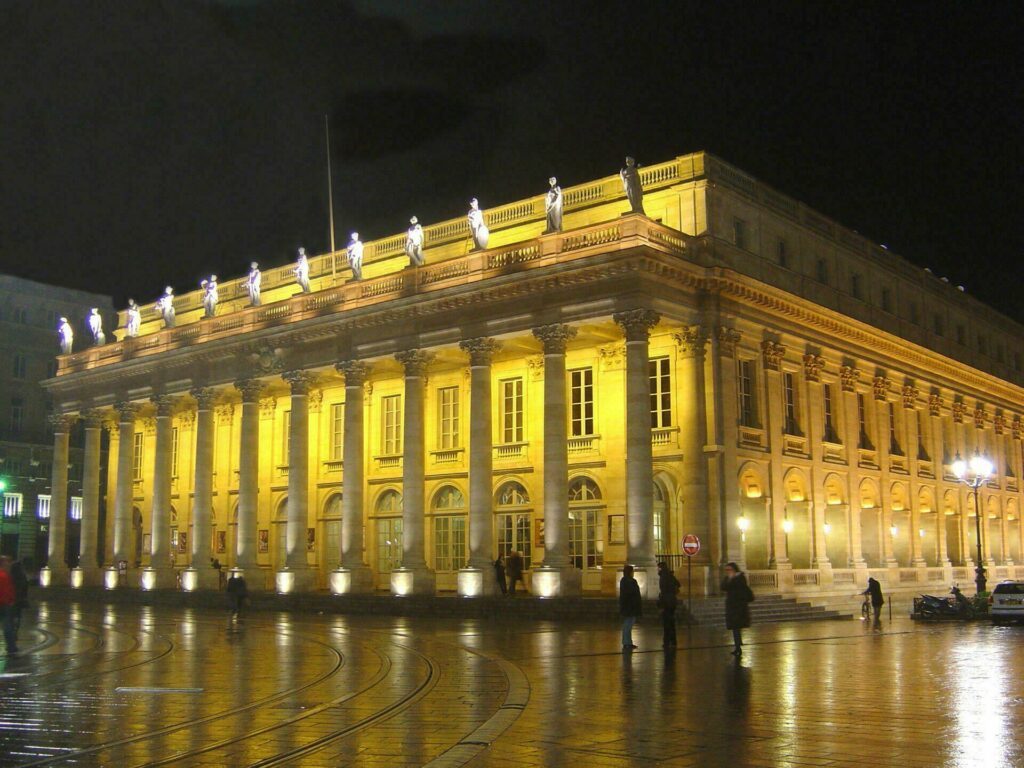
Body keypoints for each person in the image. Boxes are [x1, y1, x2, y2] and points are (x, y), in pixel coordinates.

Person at [722, 561, 754, 656]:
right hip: (732, 607)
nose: (727, 571)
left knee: (736, 628)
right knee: (735, 628)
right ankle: (738, 646)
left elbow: (739, 590)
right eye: (726, 570)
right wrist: (729, 579)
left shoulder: (740, 578)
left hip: (739, 608)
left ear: (734, 569)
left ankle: (738, 647)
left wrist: (732, 579)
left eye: (729, 569)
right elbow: (723, 587)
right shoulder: (728, 578)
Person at [657, 560, 680, 648]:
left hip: (666, 602)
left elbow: (663, 591)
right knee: (671, 622)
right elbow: (678, 584)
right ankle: (673, 641)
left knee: (666, 623)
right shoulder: (670, 575)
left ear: (661, 568)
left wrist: (661, 603)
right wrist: (674, 592)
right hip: (673, 601)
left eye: (658, 568)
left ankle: (666, 641)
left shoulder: (663, 577)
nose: (657, 569)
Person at [619, 564, 642, 650]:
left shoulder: (624, 581)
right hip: (630, 606)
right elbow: (633, 594)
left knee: (628, 624)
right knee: (628, 624)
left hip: (628, 605)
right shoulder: (629, 581)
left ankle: (628, 642)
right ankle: (626, 642)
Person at [0, 556, 17, 655]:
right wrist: (11, 600)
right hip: (4, 604)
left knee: (8, 626)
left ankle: (11, 647)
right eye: (6, 562)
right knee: (7, 626)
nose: (8, 564)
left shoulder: (5, 575)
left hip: (5, 603)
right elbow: (8, 590)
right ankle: (11, 647)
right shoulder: (4, 576)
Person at [10, 559, 28, 635]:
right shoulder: (23, 576)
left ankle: (11, 629)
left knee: (10, 616)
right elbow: (25, 588)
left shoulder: (10, 575)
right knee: (18, 615)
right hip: (19, 599)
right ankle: (16, 630)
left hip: (11, 599)